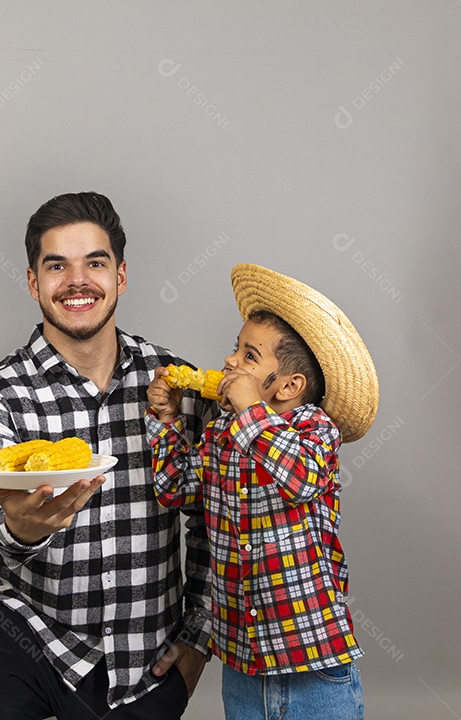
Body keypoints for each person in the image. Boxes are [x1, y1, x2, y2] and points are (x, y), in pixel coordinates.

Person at [0, 192, 213, 719]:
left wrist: (197, 640)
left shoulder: (178, 386)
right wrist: (22, 528)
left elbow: (213, 525)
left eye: (95, 263)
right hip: (32, 626)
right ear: (34, 282)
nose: (77, 281)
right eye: (57, 265)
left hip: (146, 649)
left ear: (120, 276)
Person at [144, 264, 379, 720]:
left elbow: (301, 477)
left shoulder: (315, 431)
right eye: (235, 349)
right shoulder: (221, 433)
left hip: (312, 662)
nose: (231, 361)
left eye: (250, 357)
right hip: (244, 664)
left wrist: (251, 407)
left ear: (290, 386)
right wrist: (167, 422)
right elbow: (175, 489)